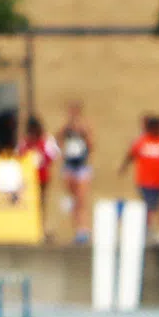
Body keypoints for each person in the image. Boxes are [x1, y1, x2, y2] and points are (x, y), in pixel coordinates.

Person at [119, 115, 159, 229]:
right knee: (149, 206)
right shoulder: (142, 142)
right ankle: (148, 228)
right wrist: (123, 167)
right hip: (145, 181)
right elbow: (131, 155)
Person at [57, 102, 94, 243]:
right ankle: (76, 229)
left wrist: (83, 131)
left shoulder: (84, 128)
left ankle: (84, 228)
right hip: (69, 166)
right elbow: (58, 139)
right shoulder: (66, 129)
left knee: (81, 199)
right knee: (73, 200)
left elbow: (91, 145)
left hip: (81, 167)